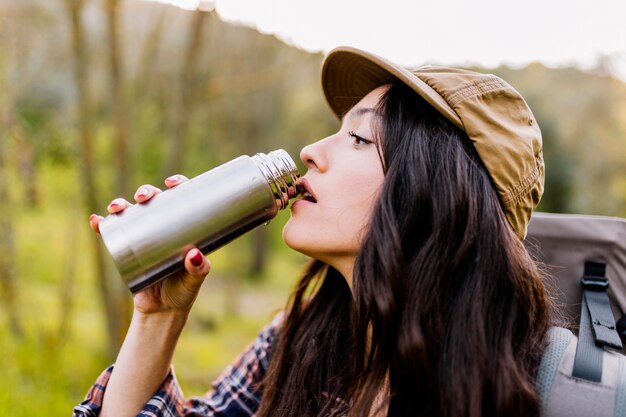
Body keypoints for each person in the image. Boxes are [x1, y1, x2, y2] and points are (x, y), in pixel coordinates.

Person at [74, 46, 552, 417]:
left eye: (360, 138)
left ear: (440, 194)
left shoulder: (531, 391)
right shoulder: (302, 339)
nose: (310, 150)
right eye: (338, 130)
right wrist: (157, 316)